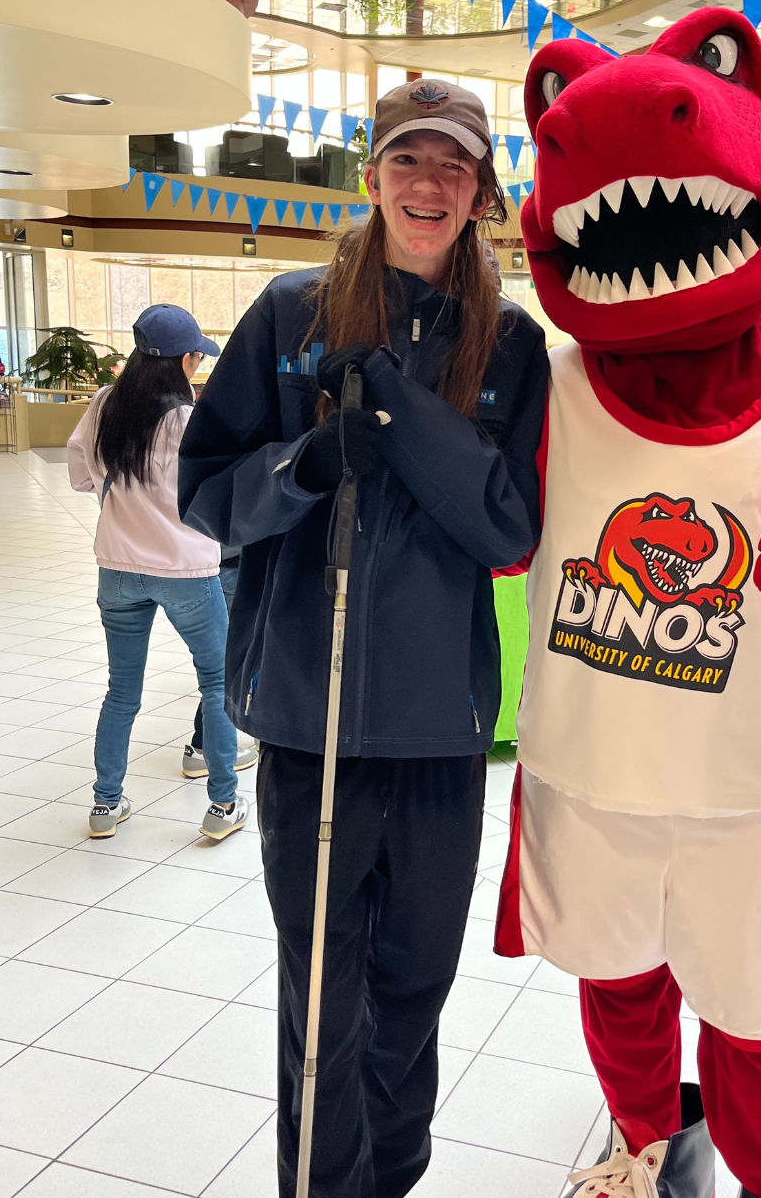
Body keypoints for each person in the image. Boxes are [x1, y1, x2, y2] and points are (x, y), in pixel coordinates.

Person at [495, 12, 761, 1198]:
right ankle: (643, 1148)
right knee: (618, 988)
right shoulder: (555, 390)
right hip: (592, 775)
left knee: (754, 1015)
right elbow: (491, 536)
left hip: (746, 791)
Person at [178, 79, 549, 1198]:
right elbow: (203, 493)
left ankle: (391, 1177)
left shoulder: (513, 344)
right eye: (405, 161)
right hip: (310, 716)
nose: (427, 185)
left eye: (452, 168)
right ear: (372, 175)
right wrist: (304, 466)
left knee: (413, 987)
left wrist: (392, 408)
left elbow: (507, 526)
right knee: (320, 999)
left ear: (482, 192)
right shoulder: (290, 315)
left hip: (441, 729)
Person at [68, 304, 248, 842]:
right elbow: (214, 496)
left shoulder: (105, 405)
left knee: (121, 691)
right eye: (196, 357)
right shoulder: (188, 422)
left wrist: (123, 500)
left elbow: (80, 474)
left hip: (117, 569)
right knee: (216, 684)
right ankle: (221, 805)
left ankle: (105, 804)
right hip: (187, 570)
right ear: (184, 359)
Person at [182, 543, 258, 779]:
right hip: (228, 561)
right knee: (228, 663)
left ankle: (206, 745)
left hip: (201, 562)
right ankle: (206, 747)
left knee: (225, 661)